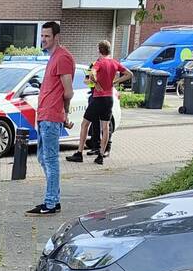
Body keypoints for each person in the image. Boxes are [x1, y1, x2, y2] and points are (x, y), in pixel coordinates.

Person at [25, 21, 75, 216]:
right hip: (45, 114)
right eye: (42, 36)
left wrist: (65, 114)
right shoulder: (53, 57)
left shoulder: (62, 58)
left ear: (56, 37)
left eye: (47, 36)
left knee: (51, 160)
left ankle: (51, 202)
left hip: (51, 116)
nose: (43, 39)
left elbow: (68, 91)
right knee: (42, 157)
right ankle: (54, 198)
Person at [67, 40, 131, 165]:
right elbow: (129, 74)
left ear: (99, 50)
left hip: (98, 98)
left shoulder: (98, 63)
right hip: (109, 99)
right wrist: (115, 82)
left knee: (85, 124)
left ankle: (79, 152)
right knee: (105, 127)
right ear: (109, 50)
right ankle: (101, 155)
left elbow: (91, 75)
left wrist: (95, 83)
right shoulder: (114, 63)